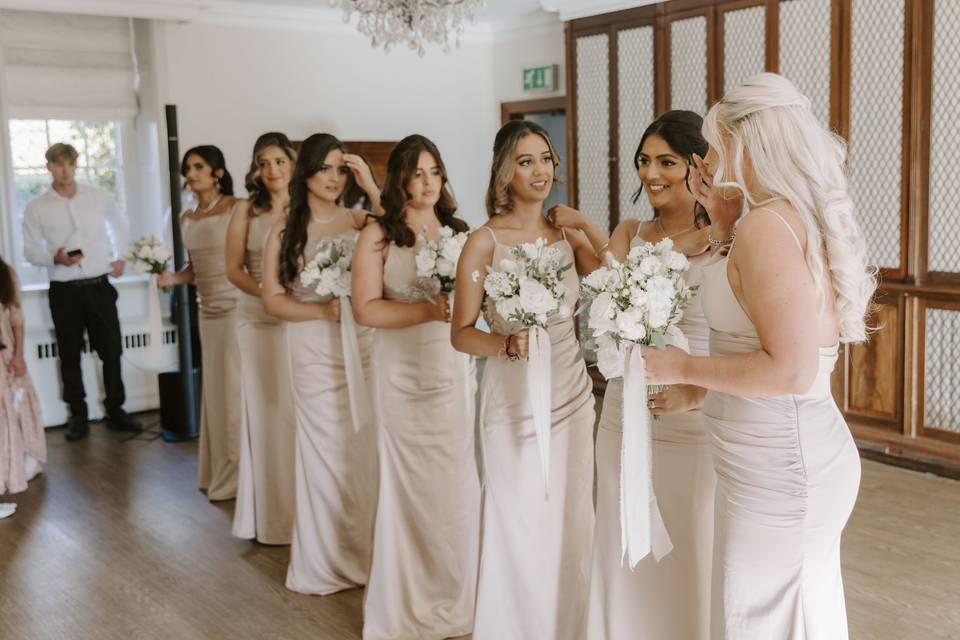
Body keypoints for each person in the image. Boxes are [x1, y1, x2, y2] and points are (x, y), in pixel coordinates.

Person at [641, 72, 876, 639]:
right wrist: (700, 392)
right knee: (782, 612)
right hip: (772, 460)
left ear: (750, 143)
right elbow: (768, 340)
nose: (711, 163)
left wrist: (682, 367)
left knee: (762, 618)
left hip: (782, 469)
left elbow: (792, 369)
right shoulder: (771, 218)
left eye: (717, 147)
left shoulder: (769, 226)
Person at [552, 110, 717, 640]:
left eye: (666, 161)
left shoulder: (722, 240)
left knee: (691, 537)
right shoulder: (631, 231)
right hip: (624, 413)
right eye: (644, 161)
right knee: (620, 530)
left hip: (693, 416)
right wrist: (585, 229)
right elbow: (609, 292)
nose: (651, 173)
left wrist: (696, 392)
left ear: (697, 166)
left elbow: (740, 336)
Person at [450, 120, 599, 640]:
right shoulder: (483, 242)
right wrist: (504, 343)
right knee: (516, 520)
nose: (540, 170)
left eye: (546, 158)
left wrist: (584, 223)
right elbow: (462, 334)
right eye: (525, 160)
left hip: (572, 395)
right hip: (512, 401)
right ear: (503, 171)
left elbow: (613, 277)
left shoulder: (566, 235)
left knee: (570, 519)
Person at [352, 135, 479, 640]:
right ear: (400, 178)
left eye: (435, 172)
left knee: (455, 485)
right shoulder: (379, 235)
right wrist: (429, 310)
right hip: (401, 375)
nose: (428, 184)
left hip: (452, 373)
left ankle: (459, 594)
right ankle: (407, 600)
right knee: (410, 487)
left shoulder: (460, 231)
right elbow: (366, 308)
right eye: (418, 173)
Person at [260, 133, 381, 595]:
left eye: (340, 169)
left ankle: (364, 555)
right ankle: (323, 562)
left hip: (361, 345)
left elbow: (406, 235)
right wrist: (323, 311)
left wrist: (371, 186)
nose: (333, 178)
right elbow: (272, 299)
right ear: (306, 172)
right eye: (324, 168)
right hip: (312, 346)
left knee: (360, 450)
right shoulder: (286, 226)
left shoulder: (357, 219)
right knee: (323, 452)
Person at [22, 142, 142, 441]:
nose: (65, 170)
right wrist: (55, 258)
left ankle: (116, 410)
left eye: (70, 164)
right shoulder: (37, 207)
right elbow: (30, 249)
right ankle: (78, 415)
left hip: (99, 286)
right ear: (49, 166)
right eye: (59, 164)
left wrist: (122, 258)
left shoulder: (98, 197)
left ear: (76, 165)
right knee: (69, 353)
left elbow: (120, 224)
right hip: (64, 290)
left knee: (112, 349)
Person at [158, 146, 241, 501]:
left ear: (218, 172)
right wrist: (171, 279)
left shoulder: (239, 208)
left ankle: (242, 469)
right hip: (207, 311)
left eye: (199, 167)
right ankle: (220, 465)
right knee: (218, 390)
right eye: (188, 168)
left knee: (236, 390)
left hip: (238, 308)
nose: (191, 174)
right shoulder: (186, 218)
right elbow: (195, 270)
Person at [226, 132, 298, 544]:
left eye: (278, 161)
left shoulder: (308, 209)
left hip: (299, 319)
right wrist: (271, 294)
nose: (271, 170)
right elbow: (234, 269)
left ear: (292, 164)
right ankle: (269, 514)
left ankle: (301, 507)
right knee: (267, 411)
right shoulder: (245, 210)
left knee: (294, 411)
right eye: (263, 162)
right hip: (257, 318)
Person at [0, 256, 45, 519]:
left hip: (6, 354)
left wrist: (18, 355)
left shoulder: (6, 274)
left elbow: (16, 317)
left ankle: (21, 462)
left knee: (16, 408)